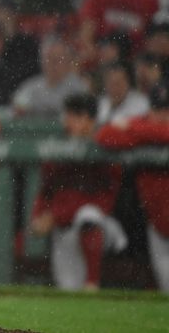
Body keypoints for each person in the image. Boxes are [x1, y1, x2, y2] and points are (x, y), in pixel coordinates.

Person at [29, 93, 128, 291]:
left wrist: (55, 215)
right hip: (64, 229)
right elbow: (46, 190)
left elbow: (103, 202)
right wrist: (39, 216)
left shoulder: (106, 144)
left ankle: (93, 282)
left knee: (88, 215)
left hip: (103, 226)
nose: (68, 122)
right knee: (69, 292)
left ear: (90, 119)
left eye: (76, 116)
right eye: (69, 116)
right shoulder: (60, 148)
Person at [96, 83, 169, 293]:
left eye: (167, 109)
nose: (163, 115)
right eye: (158, 109)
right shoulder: (143, 123)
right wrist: (154, 132)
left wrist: (136, 130)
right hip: (157, 221)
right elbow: (105, 135)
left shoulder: (136, 127)